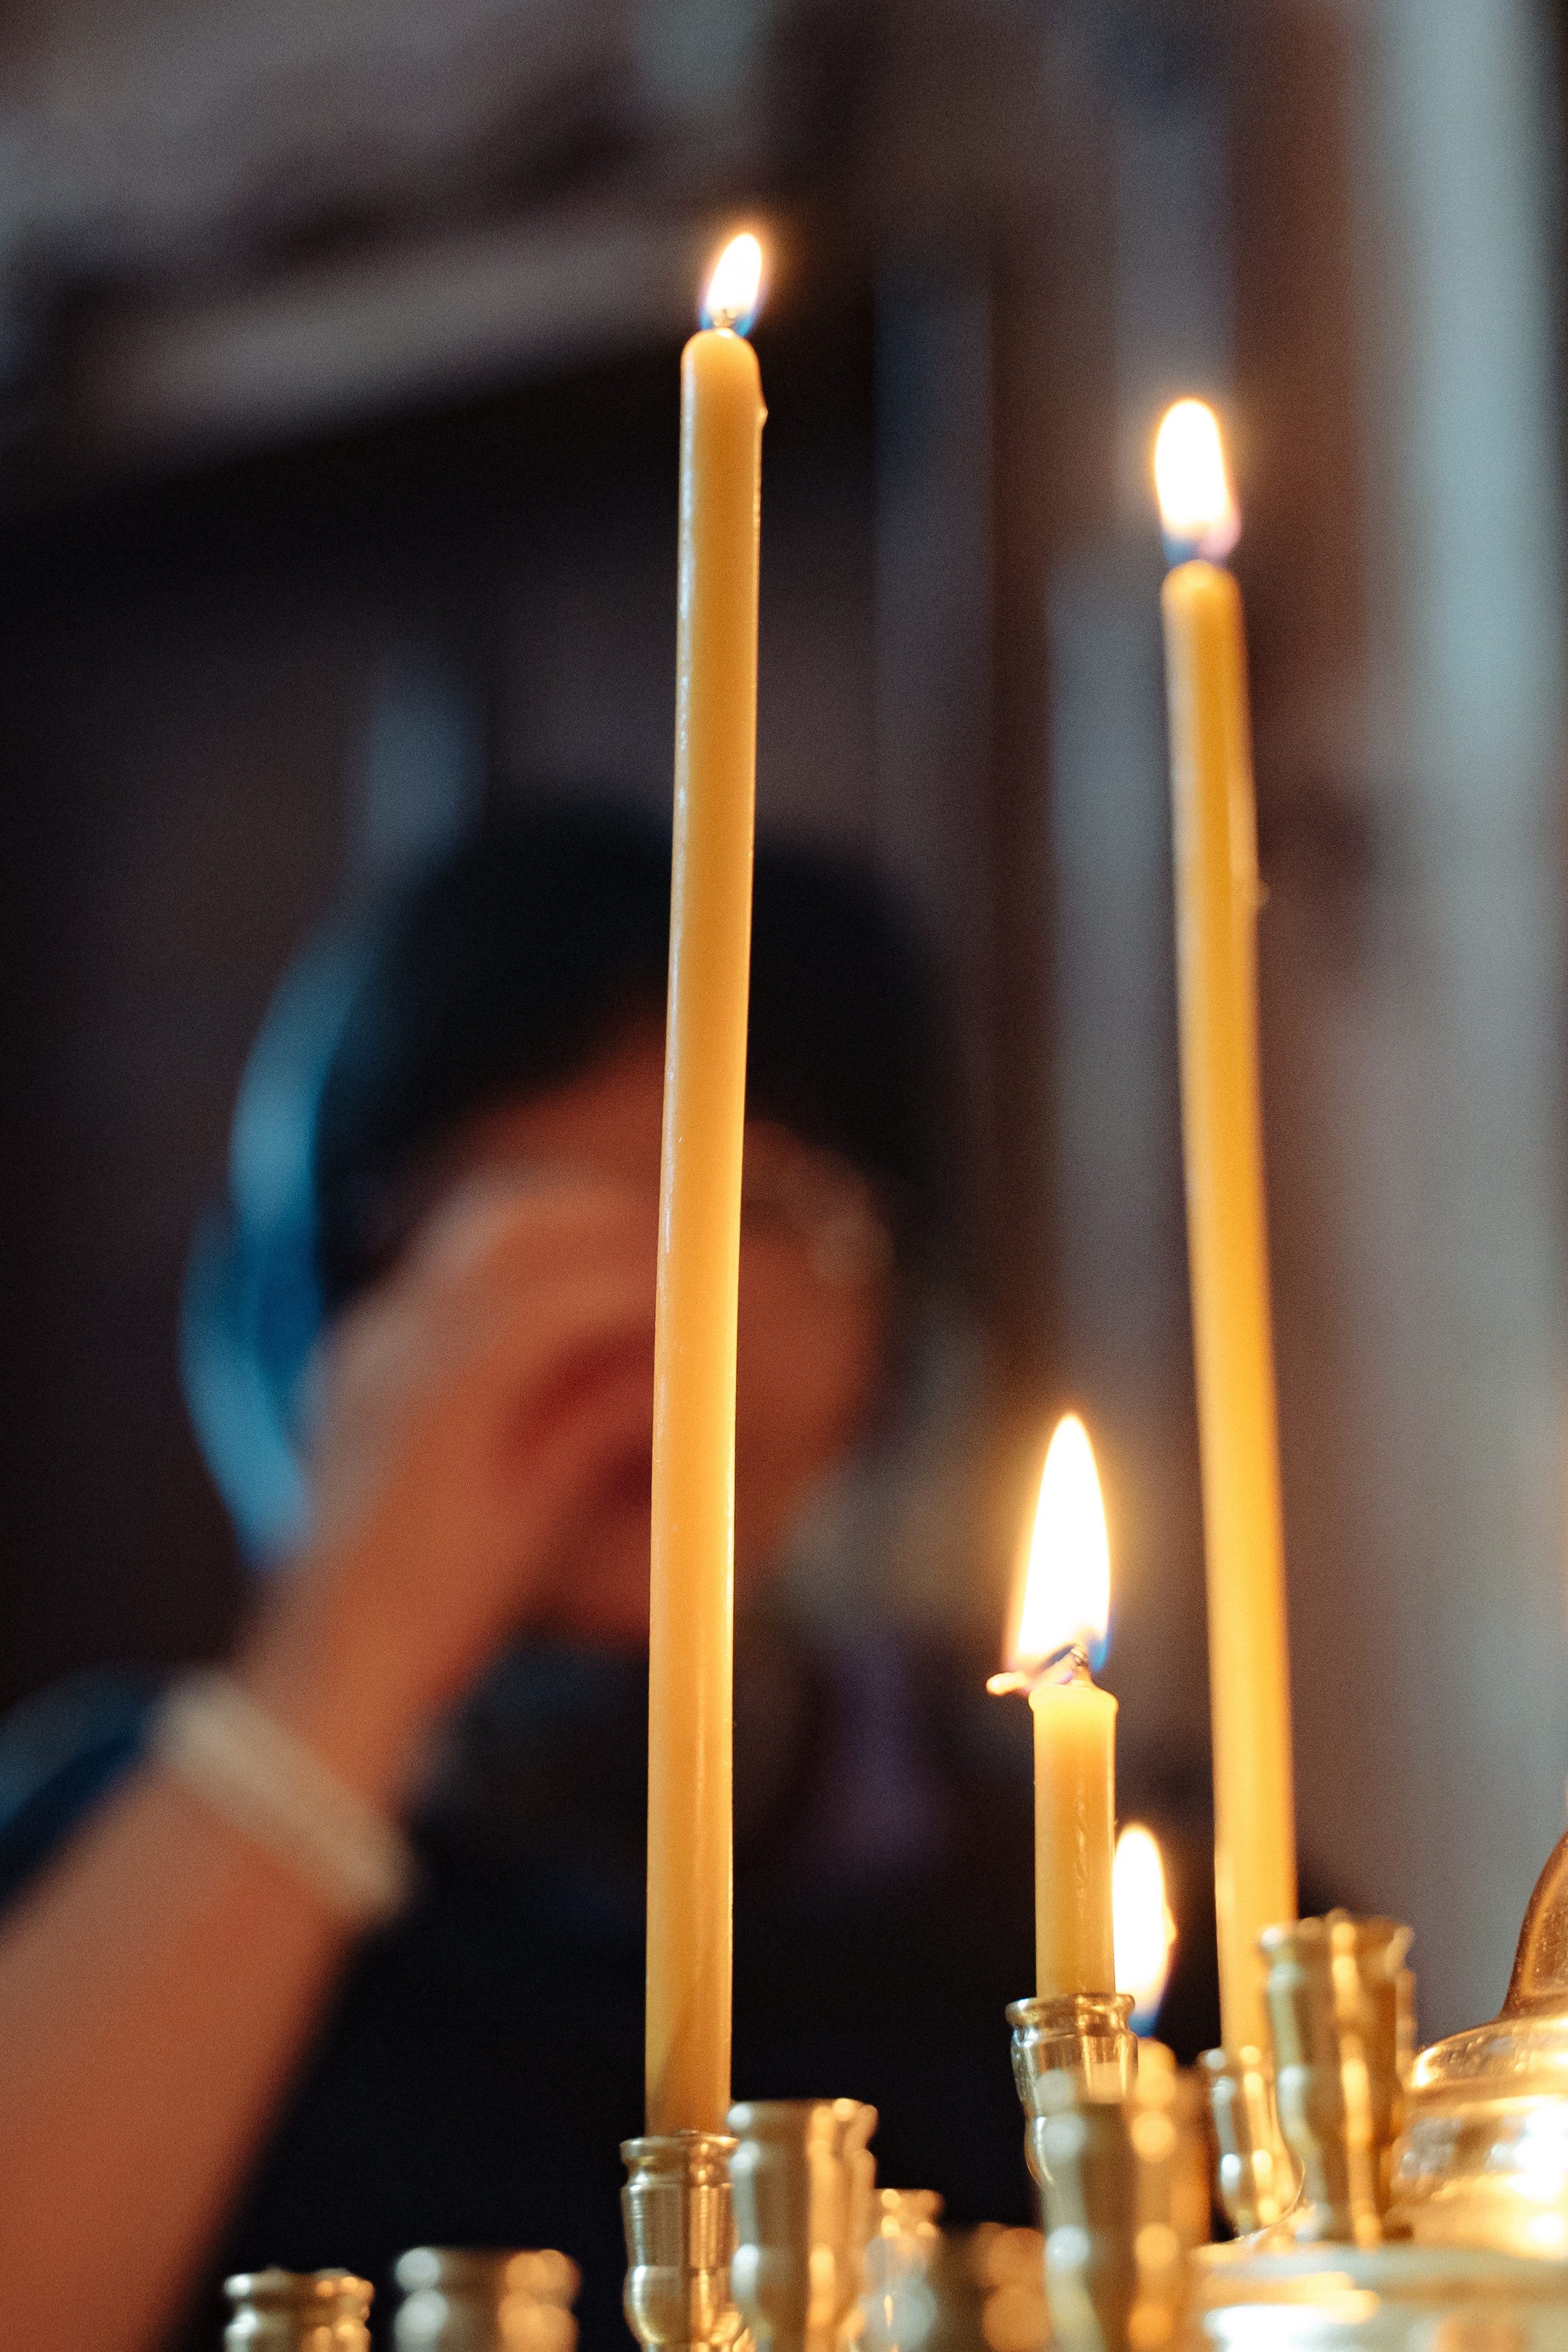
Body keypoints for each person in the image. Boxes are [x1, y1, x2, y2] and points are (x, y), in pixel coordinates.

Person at [0, 804, 1043, 2352]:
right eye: (513, 1228)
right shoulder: (118, 1852)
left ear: (893, 1338)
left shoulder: (1082, 1891)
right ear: (339, 1323)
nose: (650, 1319)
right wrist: (340, 1673)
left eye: (754, 1211)